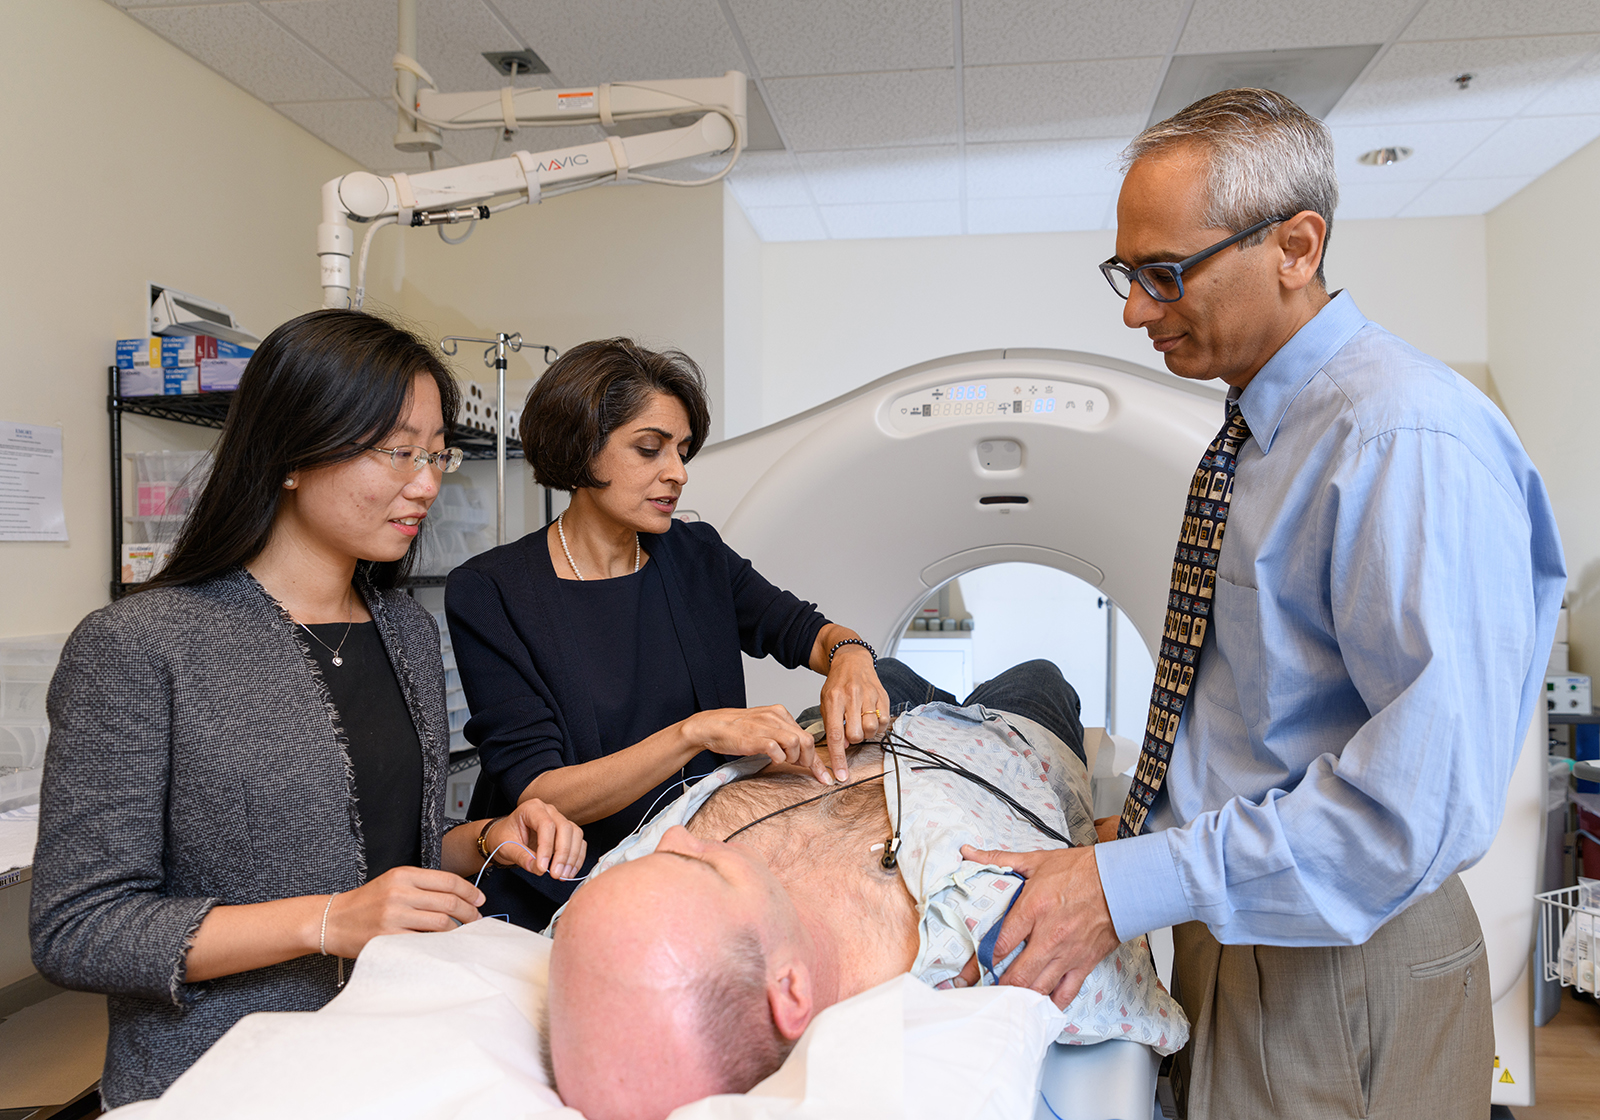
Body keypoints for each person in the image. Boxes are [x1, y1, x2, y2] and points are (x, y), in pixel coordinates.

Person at [955, 89, 1565, 1119]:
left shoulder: (1397, 443)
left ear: (1295, 243)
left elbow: (1404, 815)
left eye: (1163, 275)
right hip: (1241, 919)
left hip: (1341, 958)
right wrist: (1129, 835)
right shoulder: (1265, 431)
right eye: (1126, 273)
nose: (1134, 310)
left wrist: (1123, 885)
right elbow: (1265, 707)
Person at [29, 309, 586, 1108]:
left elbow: (395, 851)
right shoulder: (142, 646)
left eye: (436, 454)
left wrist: (492, 838)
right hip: (222, 1079)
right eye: (398, 452)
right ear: (292, 453)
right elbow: (78, 927)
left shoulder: (403, 631)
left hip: (386, 1045)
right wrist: (326, 922)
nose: (426, 482)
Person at [543, 659, 1186, 1120]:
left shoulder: (621, 918)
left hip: (844, 726)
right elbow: (1132, 981)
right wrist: (1102, 839)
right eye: (703, 867)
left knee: (889, 665)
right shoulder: (969, 944)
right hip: (1008, 736)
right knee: (1042, 672)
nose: (676, 841)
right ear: (790, 990)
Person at [445, 338, 892, 929]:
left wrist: (851, 654)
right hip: (565, 880)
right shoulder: (491, 589)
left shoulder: (695, 554)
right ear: (580, 448)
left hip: (698, 853)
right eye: (649, 449)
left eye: (682, 451)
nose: (677, 474)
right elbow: (540, 794)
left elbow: (805, 631)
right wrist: (697, 732)